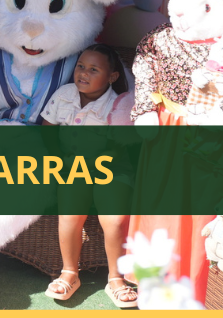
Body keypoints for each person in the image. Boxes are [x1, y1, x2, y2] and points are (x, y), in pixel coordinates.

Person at [40, 44, 138, 308]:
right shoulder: (64, 94)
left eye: (94, 70)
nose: (83, 73)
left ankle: (116, 279)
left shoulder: (120, 104)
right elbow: (48, 129)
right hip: (73, 166)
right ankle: (69, 273)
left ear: (112, 76)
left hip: (110, 167)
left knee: (114, 221)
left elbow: (119, 148)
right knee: (70, 214)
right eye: (81, 66)